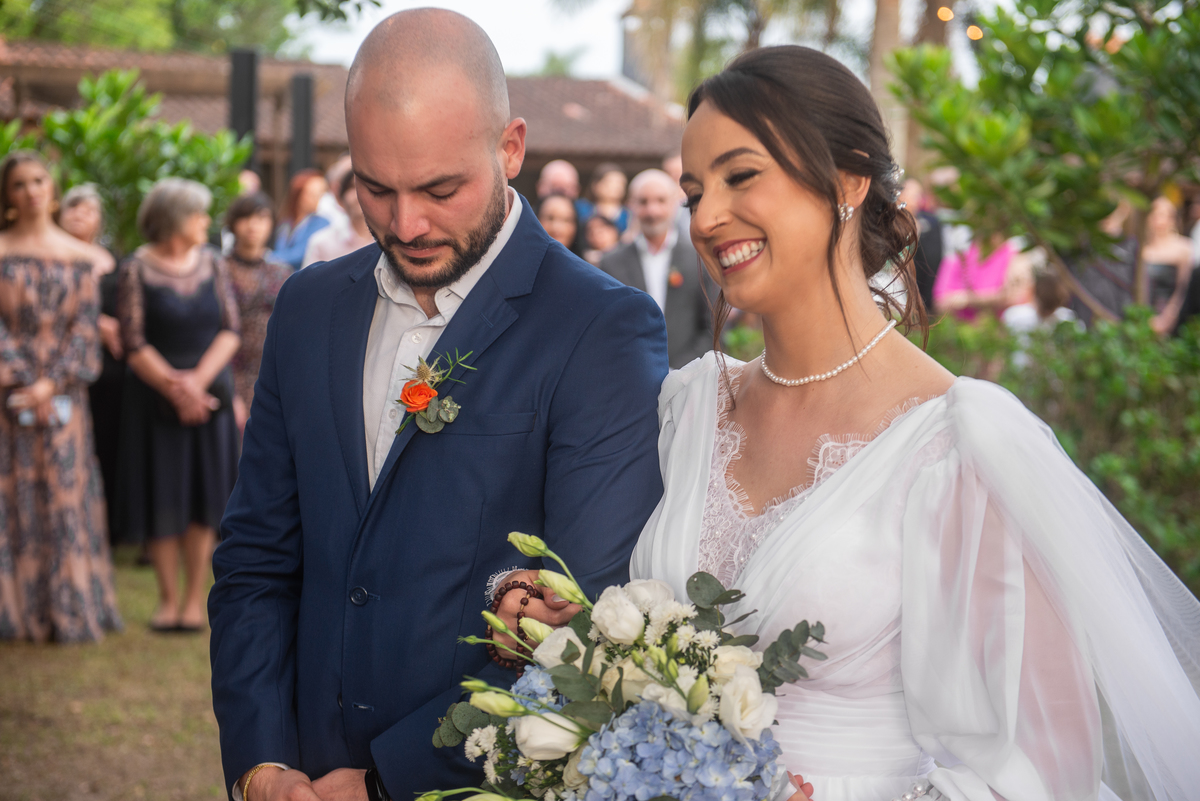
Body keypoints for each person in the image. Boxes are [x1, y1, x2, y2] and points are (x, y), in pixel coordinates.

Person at [620, 45, 1200, 801]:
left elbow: (1045, 761)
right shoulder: (689, 406)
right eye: (694, 190)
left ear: (848, 180)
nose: (708, 216)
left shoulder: (958, 444)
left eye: (741, 175)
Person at [207, 10, 668, 801]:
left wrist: (387, 780)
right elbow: (257, 560)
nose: (406, 223)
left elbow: (588, 616)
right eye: (375, 188)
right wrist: (261, 764)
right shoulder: (309, 307)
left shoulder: (600, 327)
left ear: (511, 148)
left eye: (440, 189)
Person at [0, 151, 121, 642]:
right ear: (7, 195)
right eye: (20, 184)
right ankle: (19, 611)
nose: (31, 191)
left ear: (53, 187)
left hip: (65, 400)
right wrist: (24, 382)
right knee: (14, 498)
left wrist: (51, 384)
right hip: (9, 399)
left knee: (67, 498)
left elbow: (85, 331)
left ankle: (68, 609)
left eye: (39, 180)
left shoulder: (82, 256)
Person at [115, 178, 241, 634]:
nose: (206, 222)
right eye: (198, 214)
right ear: (174, 219)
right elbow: (133, 340)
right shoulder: (136, 269)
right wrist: (175, 388)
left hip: (211, 395)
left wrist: (197, 384)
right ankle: (167, 599)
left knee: (207, 496)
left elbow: (230, 329)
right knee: (162, 493)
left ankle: (193, 600)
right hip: (154, 398)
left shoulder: (212, 263)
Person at [599, 169, 715, 368]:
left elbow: (713, 327)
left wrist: (679, 372)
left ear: (675, 205)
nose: (652, 211)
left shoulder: (700, 260)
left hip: (689, 379)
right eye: (643, 202)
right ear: (631, 206)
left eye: (660, 201)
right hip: (630, 377)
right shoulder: (611, 263)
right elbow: (605, 329)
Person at [223, 192, 291, 432]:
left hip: (272, 373)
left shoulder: (282, 271)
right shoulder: (219, 269)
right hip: (230, 371)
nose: (253, 226)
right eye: (246, 218)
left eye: (261, 218)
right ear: (233, 223)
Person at [933, 232, 1016, 320]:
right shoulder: (958, 257)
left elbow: (1010, 297)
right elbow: (940, 302)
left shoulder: (1012, 255)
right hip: (961, 324)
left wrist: (968, 300)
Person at [301, 171, 375, 268]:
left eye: (368, 188)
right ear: (340, 198)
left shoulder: (388, 239)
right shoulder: (322, 242)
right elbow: (308, 281)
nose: (359, 194)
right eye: (352, 187)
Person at [1141, 195, 1193, 335]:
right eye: (1155, 214)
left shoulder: (1184, 248)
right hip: (1144, 317)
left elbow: (1184, 288)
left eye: (1163, 215)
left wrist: (1168, 318)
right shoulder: (1143, 250)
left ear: (1172, 218)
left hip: (1173, 316)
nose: (1159, 220)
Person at [896, 178, 942, 314]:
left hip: (921, 280)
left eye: (920, 195)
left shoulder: (929, 223)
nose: (918, 199)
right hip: (896, 280)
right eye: (914, 195)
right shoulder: (892, 223)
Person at [273, 169, 330, 270]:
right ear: (299, 195)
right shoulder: (285, 222)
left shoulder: (322, 222)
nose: (318, 199)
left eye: (321, 194)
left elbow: (301, 253)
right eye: (312, 194)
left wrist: (268, 257)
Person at [576, 162, 630, 235]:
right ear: (595, 185)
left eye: (620, 183)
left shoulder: (629, 215)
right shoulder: (582, 208)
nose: (616, 187)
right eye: (610, 182)